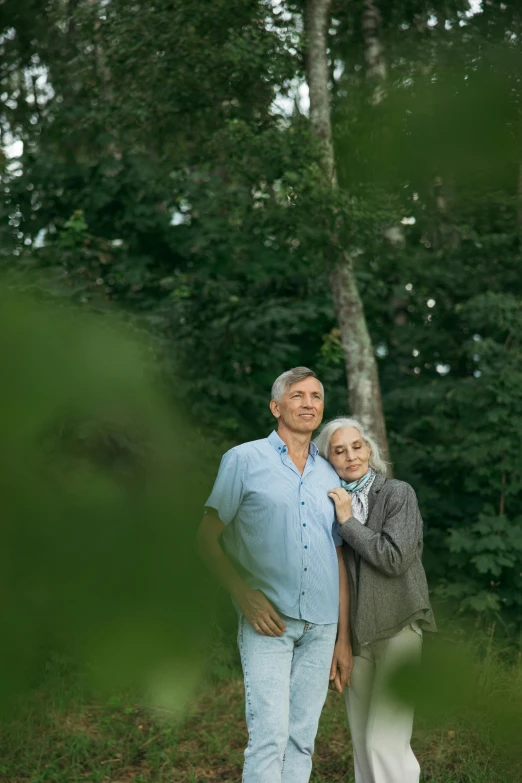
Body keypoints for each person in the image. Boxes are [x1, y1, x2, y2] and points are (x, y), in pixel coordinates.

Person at [198, 367, 352, 783]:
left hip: (322, 625)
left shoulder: (330, 473)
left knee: (303, 740)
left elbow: (338, 554)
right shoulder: (244, 460)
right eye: (298, 395)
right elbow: (206, 538)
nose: (308, 403)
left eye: (316, 396)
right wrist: (242, 594)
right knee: (269, 737)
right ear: (276, 406)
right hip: (269, 622)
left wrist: (343, 638)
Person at [314, 417, 436, 783]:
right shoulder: (329, 503)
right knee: (364, 745)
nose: (351, 456)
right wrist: (341, 641)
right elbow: (332, 574)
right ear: (328, 460)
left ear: (369, 450)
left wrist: (348, 522)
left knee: (385, 742)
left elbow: (394, 557)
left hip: (399, 626)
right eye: (339, 450)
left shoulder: (398, 493)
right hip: (356, 636)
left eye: (357, 446)